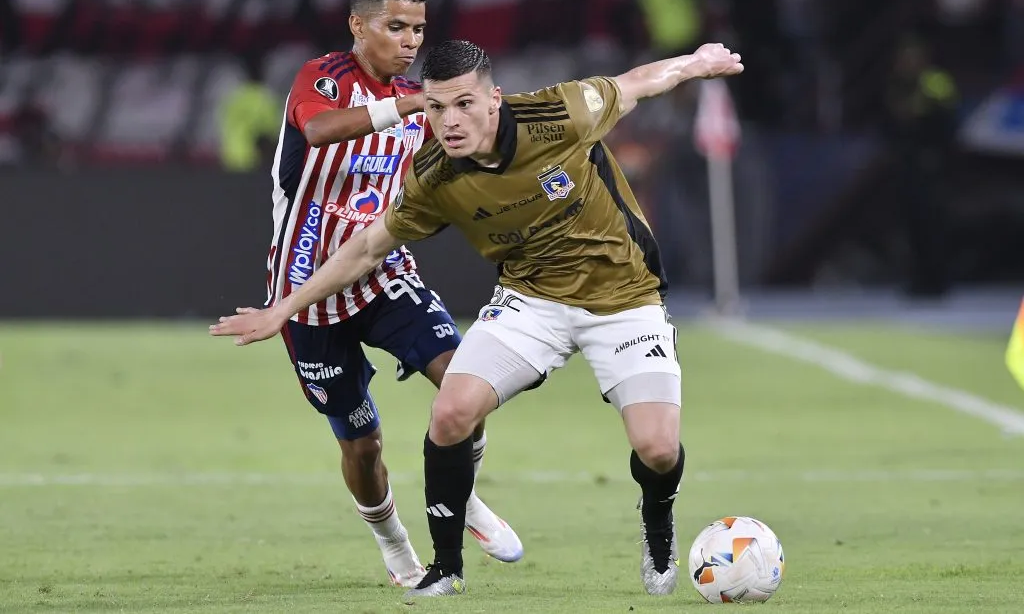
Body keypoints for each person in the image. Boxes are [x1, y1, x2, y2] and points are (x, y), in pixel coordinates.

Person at [211, 38, 744, 597]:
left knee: (657, 448)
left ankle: (658, 530)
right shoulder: (434, 177)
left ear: (494, 100)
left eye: (464, 104)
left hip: (624, 299)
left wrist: (696, 64)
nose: (450, 121)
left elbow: (636, 83)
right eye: (437, 107)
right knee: (450, 413)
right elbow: (366, 248)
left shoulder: (558, 114)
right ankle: (446, 568)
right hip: (530, 302)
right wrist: (284, 308)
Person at [243, 0, 522, 587]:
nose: (411, 42)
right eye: (396, 27)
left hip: (382, 272)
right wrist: (409, 104)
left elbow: (467, 163)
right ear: (357, 25)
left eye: (418, 29)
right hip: (306, 292)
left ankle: (463, 499)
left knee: (467, 384)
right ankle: (395, 544)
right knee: (361, 443)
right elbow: (319, 130)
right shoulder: (324, 79)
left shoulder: (425, 104)